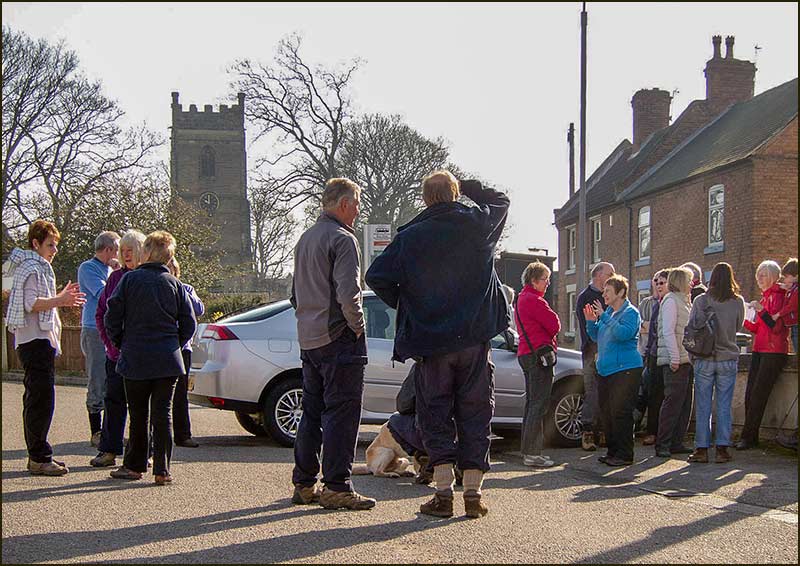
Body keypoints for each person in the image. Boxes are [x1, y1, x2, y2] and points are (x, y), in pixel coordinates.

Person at [366, 170, 509, 519]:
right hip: (474, 340)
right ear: (455, 194)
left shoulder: (410, 236)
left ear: (425, 199)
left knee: (435, 415)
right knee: (476, 413)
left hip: (432, 343)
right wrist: (469, 186)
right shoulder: (477, 224)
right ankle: (473, 495)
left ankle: (443, 495)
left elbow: (376, 276)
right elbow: (501, 200)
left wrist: (408, 303)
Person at [290, 178, 375, 511]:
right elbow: (348, 293)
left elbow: (295, 294)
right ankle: (337, 486)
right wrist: (358, 327)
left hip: (309, 337)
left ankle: (304, 482)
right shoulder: (343, 239)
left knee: (312, 412)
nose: (358, 210)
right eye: (356, 204)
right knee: (342, 414)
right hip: (338, 337)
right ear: (343, 204)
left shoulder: (306, 238)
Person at [105, 231, 196, 485]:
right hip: (167, 358)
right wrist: (174, 343)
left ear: (146, 252)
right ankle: (162, 469)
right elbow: (189, 323)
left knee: (138, 414)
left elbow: (112, 315)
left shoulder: (129, 280)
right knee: (163, 414)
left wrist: (121, 342)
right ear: (169, 256)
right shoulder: (175, 285)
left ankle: (134, 465)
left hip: (135, 355)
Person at [6, 220, 86, 476]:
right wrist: (60, 300)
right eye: (50, 245)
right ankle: (39, 457)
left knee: (38, 399)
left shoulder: (33, 266)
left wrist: (60, 299)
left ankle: (38, 454)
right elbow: (31, 303)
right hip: (35, 341)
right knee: (40, 401)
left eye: (55, 245)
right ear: (36, 243)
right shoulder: (33, 268)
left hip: (36, 341)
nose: (54, 250)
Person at [90, 229, 146, 468]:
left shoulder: (150, 277)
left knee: (142, 408)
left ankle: (142, 453)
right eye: (123, 251)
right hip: (116, 354)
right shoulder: (115, 278)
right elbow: (102, 313)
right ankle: (109, 450)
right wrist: (110, 343)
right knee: (113, 402)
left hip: (142, 354)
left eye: (130, 250)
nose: (126, 255)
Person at [687, 262, 745, 464]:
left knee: (703, 405)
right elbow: (738, 326)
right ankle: (722, 449)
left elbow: (693, 327)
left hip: (704, 358)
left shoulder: (701, 300)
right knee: (724, 405)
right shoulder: (737, 301)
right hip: (727, 357)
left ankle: (702, 449)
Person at [583, 274, 643, 467]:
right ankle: (612, 451)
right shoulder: (609, 312)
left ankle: (625, 454)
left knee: (621, 412)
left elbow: (623, 334)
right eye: (604, 291)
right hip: (606, 371)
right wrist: (591, 321)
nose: (604, 294)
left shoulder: (631, 313)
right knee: (607, 413)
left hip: (626, 370)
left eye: (608, 291)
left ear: (621, 292)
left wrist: (604, 317)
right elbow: (596, 336)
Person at [737, 260, 789, 450]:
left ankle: (748, 437)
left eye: (763, 275)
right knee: (751, 394)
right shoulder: (766, 297)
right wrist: (744, 316)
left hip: (773, 351)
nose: (759, 278)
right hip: (760, 348)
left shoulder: (778, 296)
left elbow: (776, 327)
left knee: (758, 395)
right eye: (758, 274)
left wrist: (761, 310)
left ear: (774, 277)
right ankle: (749, 436)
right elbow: (757, 328)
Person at [515, 262, 560, 468]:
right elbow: (555, 325)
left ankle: (528, 451)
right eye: (545, 279)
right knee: (538, 404)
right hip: (538, 356)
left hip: (526, 353)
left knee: (531, 404)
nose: (548, 283)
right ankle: (533, 454)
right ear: (533, 280)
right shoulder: (534, 300)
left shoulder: (521, 299)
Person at [78, 230, 120, 447]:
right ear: (108, 250)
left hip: (110, 329)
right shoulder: (88, 268)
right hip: (94, 329)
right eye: (117, 250)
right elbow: (105, 294)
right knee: (97, 378)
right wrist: (117, 272)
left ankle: (110, 430)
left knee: (112, 380)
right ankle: (95, 430)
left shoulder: (111, 270)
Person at [575, 261, 615, 451]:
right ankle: (588, 431)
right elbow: (590, 328)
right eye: (609, 273)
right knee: (592, 391)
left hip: (610, 351)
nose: (613, 277)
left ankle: (603, 431)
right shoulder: (586, 297)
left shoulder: (610, 296)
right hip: (593, 350)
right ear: (598, 275)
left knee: (607, 392)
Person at [655, 267, 694, 458]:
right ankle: (663, 443)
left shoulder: (683, 301)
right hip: (676, 360)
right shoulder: (671, 300)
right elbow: (668, 331)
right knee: (672, 403)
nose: (691, 284)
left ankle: (676, 442)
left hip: (686, 359)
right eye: (689, 280)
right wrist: (675, 357)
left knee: (684, 403)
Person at [166, 257, 205, 448]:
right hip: (164, 346)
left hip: (183, 348)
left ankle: (183, 435)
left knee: (180, 393)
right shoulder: (159, 289)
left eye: (172, 268)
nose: (169, 271)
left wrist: (183, 292)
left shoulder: (186, 288)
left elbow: (199, 309)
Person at [640, 269, 670, 446]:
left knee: (667, 395)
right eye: (656, 282)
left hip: (669, 355)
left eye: (662, 282)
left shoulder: (670, 302)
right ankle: (652, 431)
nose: (658, 285)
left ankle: (664, 433)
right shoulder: (653, 304)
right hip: (653, 353)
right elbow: (647, 330)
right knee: (653, 394)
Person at [774, 258, 797, 354]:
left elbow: (791, 306)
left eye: (787, 277)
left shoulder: (796, 291)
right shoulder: (793, 289)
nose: (785, 280)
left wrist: (778, 314)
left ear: (796, 276)